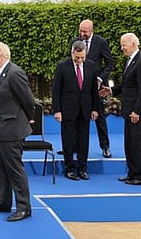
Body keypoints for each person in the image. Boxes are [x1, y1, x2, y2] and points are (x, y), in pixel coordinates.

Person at [0, 42, 34, 222]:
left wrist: (24, 120)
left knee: (14, 169)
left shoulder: (15, 73)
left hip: (11, 131)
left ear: (0, 57)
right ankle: (3, 201)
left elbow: (28, 101)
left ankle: (24, 207)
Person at [99, 33, 141, 185]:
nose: (122, 48)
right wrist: (111, 91)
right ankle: (133, 173)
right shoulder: (130, 61)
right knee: (129, 143)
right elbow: (128, 86)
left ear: (133, 44)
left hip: (136, 112)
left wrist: (137, 111)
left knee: (137, 144)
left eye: (124, 45)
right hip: (129, 110)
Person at [52, 41, 99, 181]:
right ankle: (69, 168)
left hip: (85, 109)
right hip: (68, 110)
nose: (80, 60)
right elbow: (56, 90)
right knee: (68, 140)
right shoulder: (62, 67)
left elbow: (93, 91)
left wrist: (95, 109)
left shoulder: (91, 66)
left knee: (84, 140)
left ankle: (82, 168)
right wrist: (57, 110)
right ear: (72, 53)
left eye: (82, 57)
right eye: (77, 57)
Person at [76, 19, 115, 158]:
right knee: (77, 116)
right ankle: (74, 146)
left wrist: (100, 78)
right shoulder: (76, 42)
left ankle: (105, 146)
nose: (82, 34)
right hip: (79, 86)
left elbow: (110, 63)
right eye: (80, 31)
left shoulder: (101, 42)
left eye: (84, 31)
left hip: (96, 86)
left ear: (91, 30)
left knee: (100, 116)